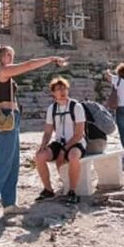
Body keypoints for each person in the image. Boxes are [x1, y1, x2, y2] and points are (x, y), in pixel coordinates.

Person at [0, 46, 68, 221]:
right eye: (7, 54)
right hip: (8, 118)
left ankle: (9, 204)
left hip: (10, 118)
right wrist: (51, 59)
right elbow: (29, 65)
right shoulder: (2, 71)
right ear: (0, 57)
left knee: (13, 162)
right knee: (3, 162)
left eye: (12, 54)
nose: (11, 57)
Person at [34, 77, 86, 205]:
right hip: (59, 142)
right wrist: (43, 145)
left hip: (76, 142)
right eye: (58, 89)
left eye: (64, 88)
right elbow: (48, 132)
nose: (62, 92)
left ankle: (72, 191)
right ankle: (48, 189)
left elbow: (79, 134)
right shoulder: (52, 109)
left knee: (73, 156)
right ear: (53, 93)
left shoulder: (76, 107)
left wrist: (63, 150)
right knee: (39, 156)